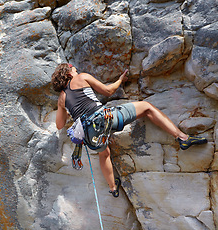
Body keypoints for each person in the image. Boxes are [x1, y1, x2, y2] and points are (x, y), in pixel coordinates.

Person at [51, 63, 208, 197]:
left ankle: (113, 188)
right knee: (147, 107)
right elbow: (108, 91)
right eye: (73, 68)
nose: (76, 69)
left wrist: (65, 108)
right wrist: (120, 80)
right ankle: (182, 138)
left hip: (89, 133)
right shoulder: (81, 77)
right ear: (68, 72)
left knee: (104, 153)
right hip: (106, 118)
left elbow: (59, 125)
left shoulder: (61, 99)